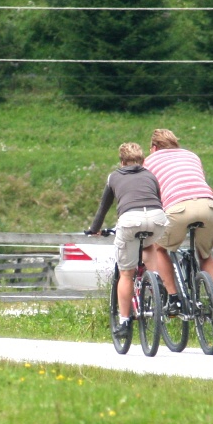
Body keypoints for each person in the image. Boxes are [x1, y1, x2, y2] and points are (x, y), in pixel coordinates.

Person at [85, 142, 167, 338]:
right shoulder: (150, 175)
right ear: (142, 160)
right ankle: (156, 281)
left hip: (130, 221)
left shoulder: (114, 176)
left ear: (122, 161)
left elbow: (104, 207)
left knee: (126, 274)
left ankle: (124, 321)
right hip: (157, 219)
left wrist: (94, 229)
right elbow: (156, 199)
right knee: (149, 246)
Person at [143, 129, 213, 315]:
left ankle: (174, 299)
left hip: (178, 208)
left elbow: (150, 193)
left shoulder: (149, 161)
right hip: (208, 205)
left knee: (160, 249)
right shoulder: (192, 156)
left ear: (154, 147)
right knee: (206, 255)